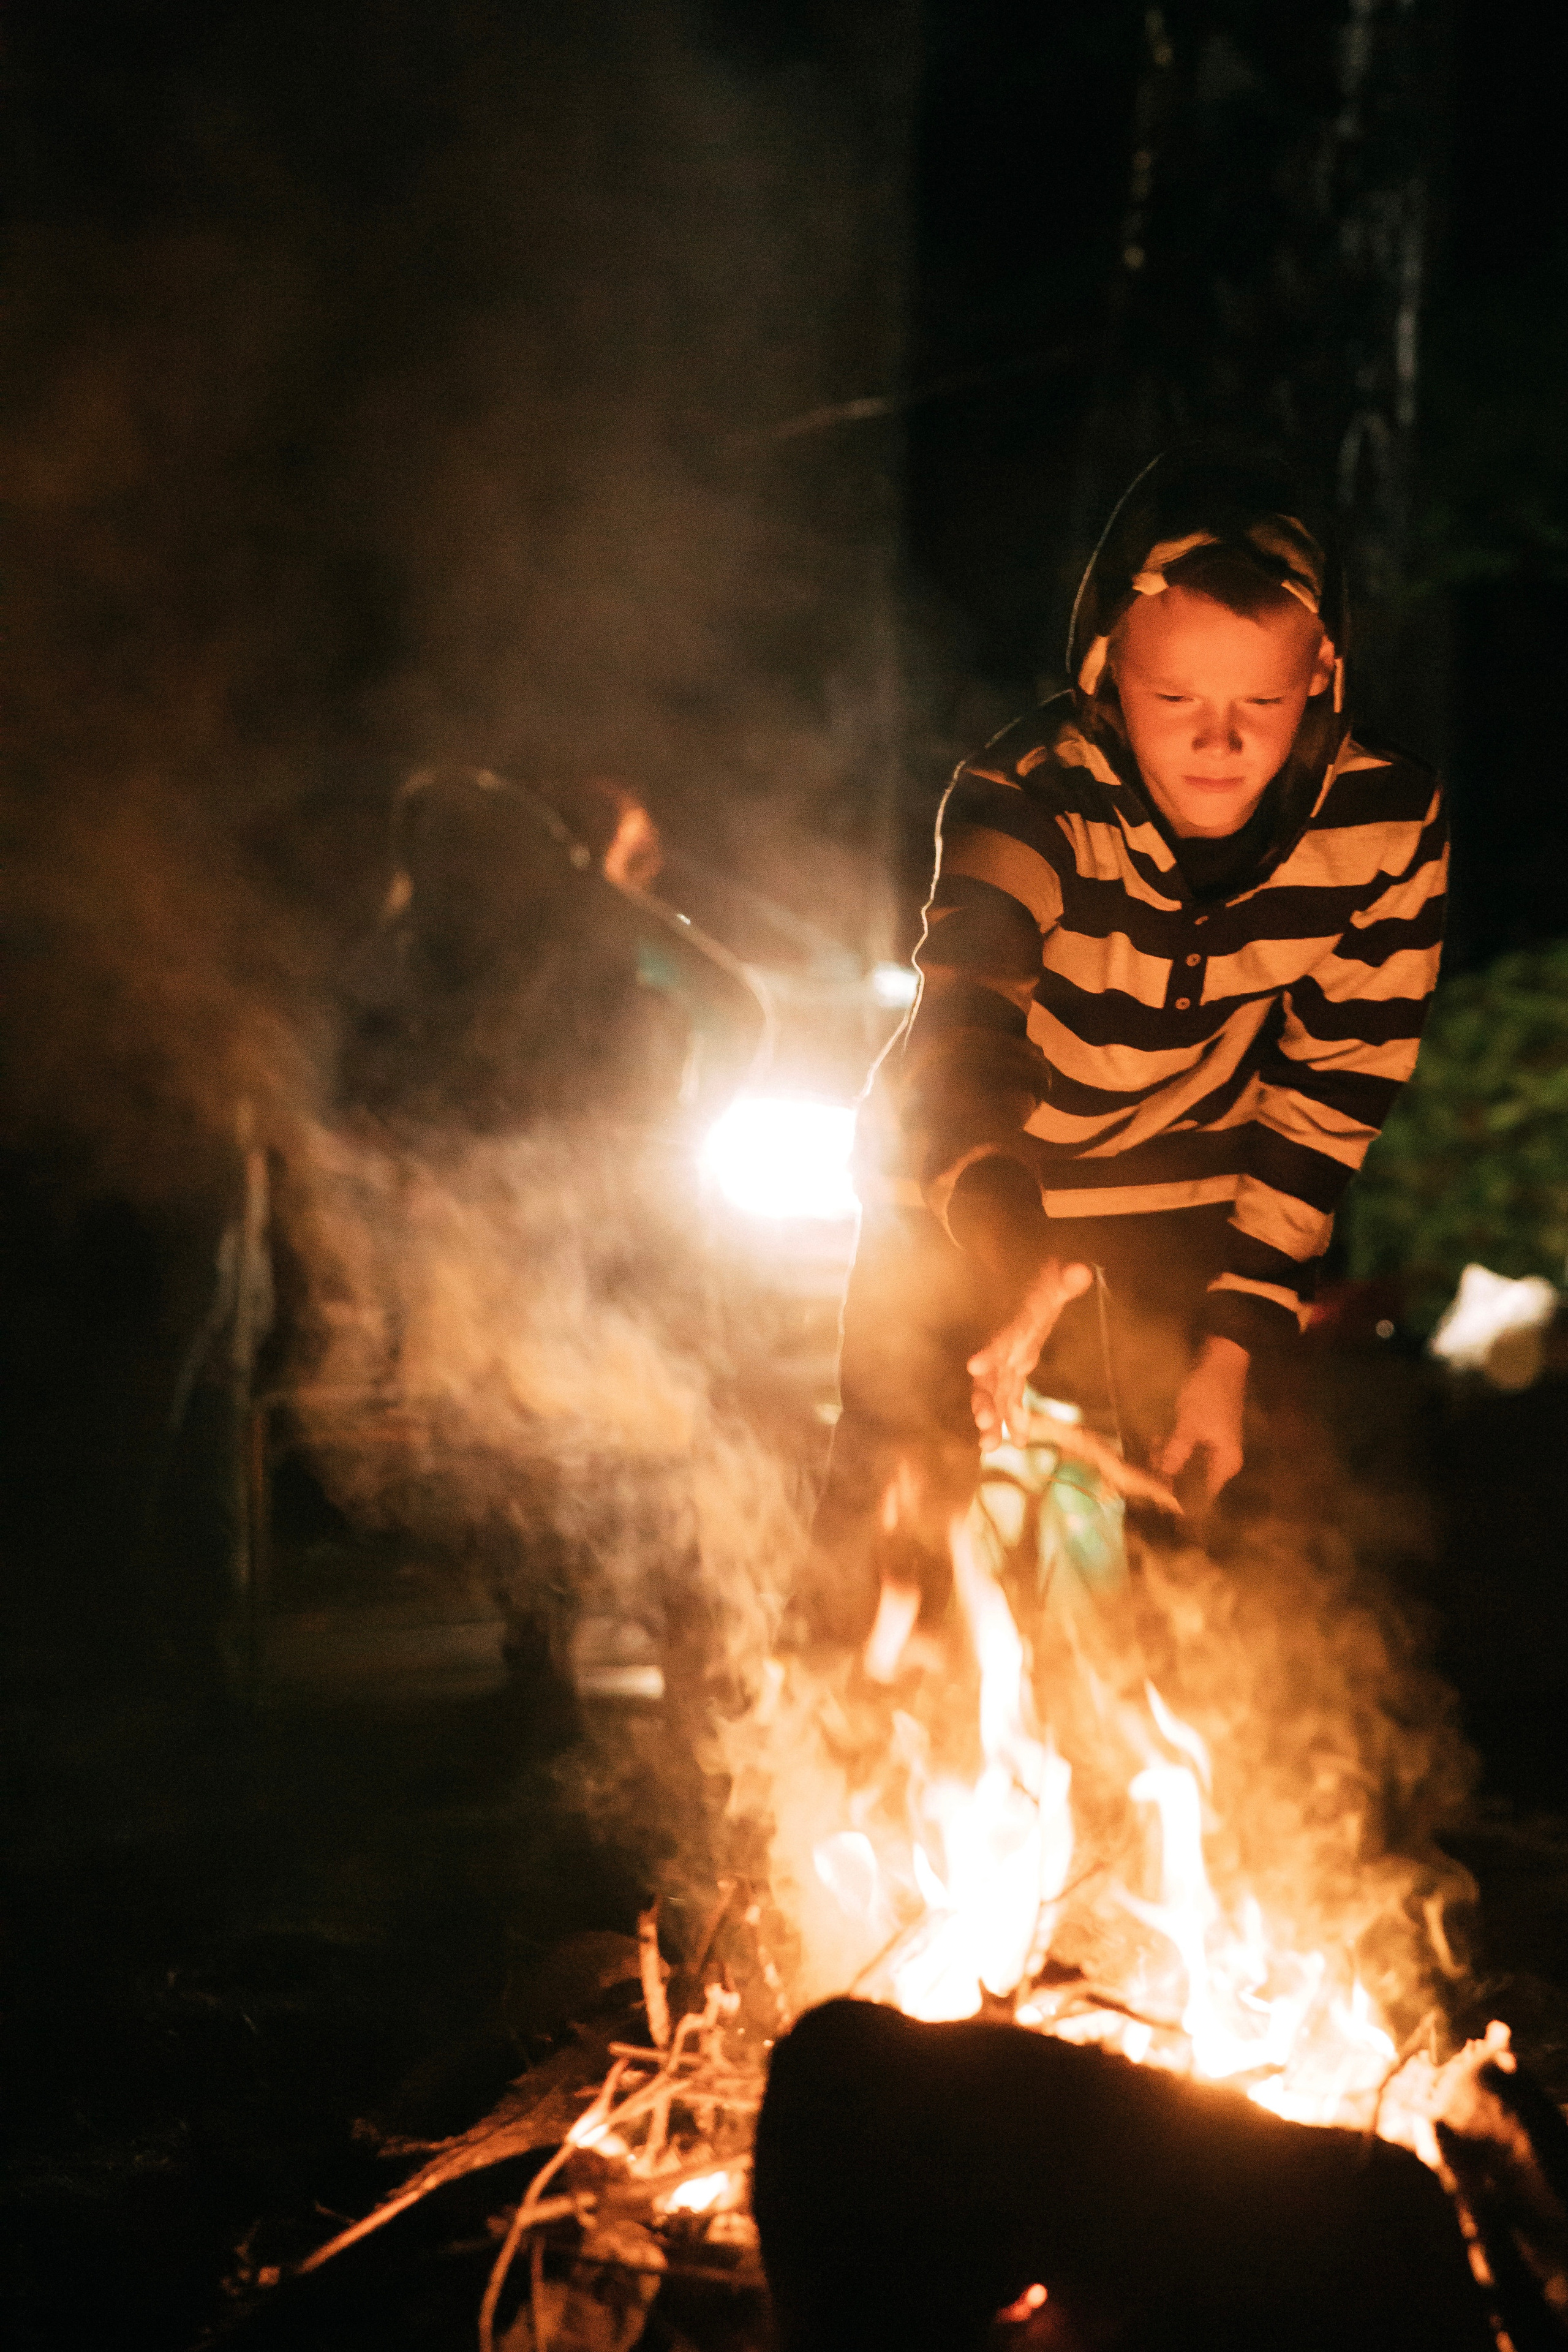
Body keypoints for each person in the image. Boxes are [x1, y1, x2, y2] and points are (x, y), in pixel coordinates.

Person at [809, 446, 1447, 1651]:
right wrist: (1015, 1267)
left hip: (1184, 1205)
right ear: (1106, 671)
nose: (1218, 741)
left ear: (1318, 676)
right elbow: (964, 1040)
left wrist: (1233, 1338)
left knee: (1171, 1591)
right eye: (1174, 704)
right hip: (965, 1198)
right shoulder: (1027, 795)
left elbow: (1330, 1092)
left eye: (1257, 705)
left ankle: (1157, 1824)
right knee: (896, 1567)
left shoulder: (1381, 823)